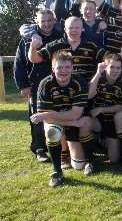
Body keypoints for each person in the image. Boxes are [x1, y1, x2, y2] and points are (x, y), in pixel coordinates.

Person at [30, 52, 94, 187]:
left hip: (74, 120)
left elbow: (76, 114)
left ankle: (89, 161)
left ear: (72, 68)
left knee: (78, 164)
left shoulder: (79, 82)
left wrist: (47, 115)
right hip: (59, 122)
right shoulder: (45, 84)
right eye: (59, 67)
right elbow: (48, 121)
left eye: (67, 67)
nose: (63, 71)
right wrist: (69, 121)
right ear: (53, 68)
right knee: (51, 132)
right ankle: (57, 172)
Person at [14, 9, 62, 162]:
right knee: (37, 117)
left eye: (49, 20)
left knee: (57, 114)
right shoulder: (28, 39)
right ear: (37, 23)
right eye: (43, 21)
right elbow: (19, 63)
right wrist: (23, 85)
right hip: (36, 85)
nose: (46, 24)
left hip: (58, 83)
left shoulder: (60, 36)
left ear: (54, 21)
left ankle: (59, 145)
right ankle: (39, 149)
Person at [88, 54, 122, 165]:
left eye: (118, 68)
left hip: (114, 120)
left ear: (121, 69)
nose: (115, 71)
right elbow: (89, 95)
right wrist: (98, 72)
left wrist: (101, 109)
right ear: (105, 67)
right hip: (98, 120)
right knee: (85, 121)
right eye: (112, 67)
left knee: (114, 159)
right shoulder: (98, 77)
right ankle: (92, 151)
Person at [28, 16, 107, 80]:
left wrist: (118, 55)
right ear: (65, 30)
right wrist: (32, 47)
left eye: (77, 28)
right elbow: (35, 59)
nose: (74, 30)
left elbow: (108, 58)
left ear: (82, 29)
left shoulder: (91, 45)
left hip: (86, 90)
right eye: (71, 28)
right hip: (61, 91)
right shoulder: (55, 45)